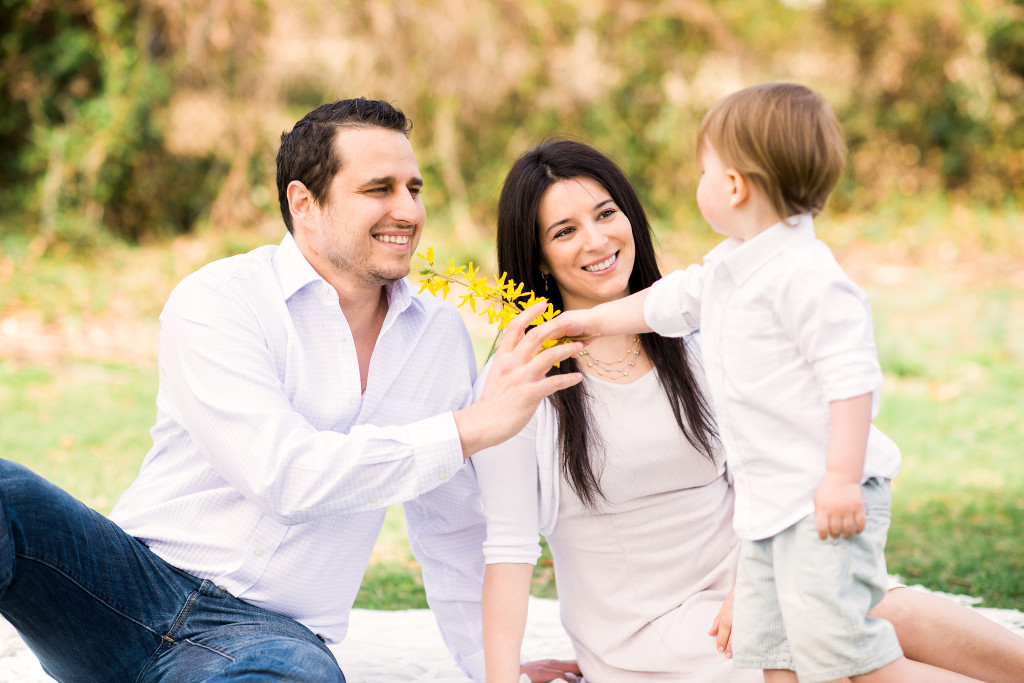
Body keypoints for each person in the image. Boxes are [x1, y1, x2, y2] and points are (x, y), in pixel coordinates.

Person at [0, 97, 582, 682]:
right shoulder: (220, 299)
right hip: (125, 589)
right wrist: (473, 426)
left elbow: (450, 527)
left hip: (273, 639)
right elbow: (284, 476)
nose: (408, 210)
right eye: (379, 189)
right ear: (303, 202)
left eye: (414, 188)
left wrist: (494, 668)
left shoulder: (438, 335)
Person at [473, 136, 1024, 683]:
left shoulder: (692, 330)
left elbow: (768, 468)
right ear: (539, 257)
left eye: (606, 213)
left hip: (758, 577)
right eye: (565, 231)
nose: (596, 240)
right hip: (651, 631)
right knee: (849, 661)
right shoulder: (521, 379)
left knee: (889, 608)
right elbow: (508, 548)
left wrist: (756, 582)